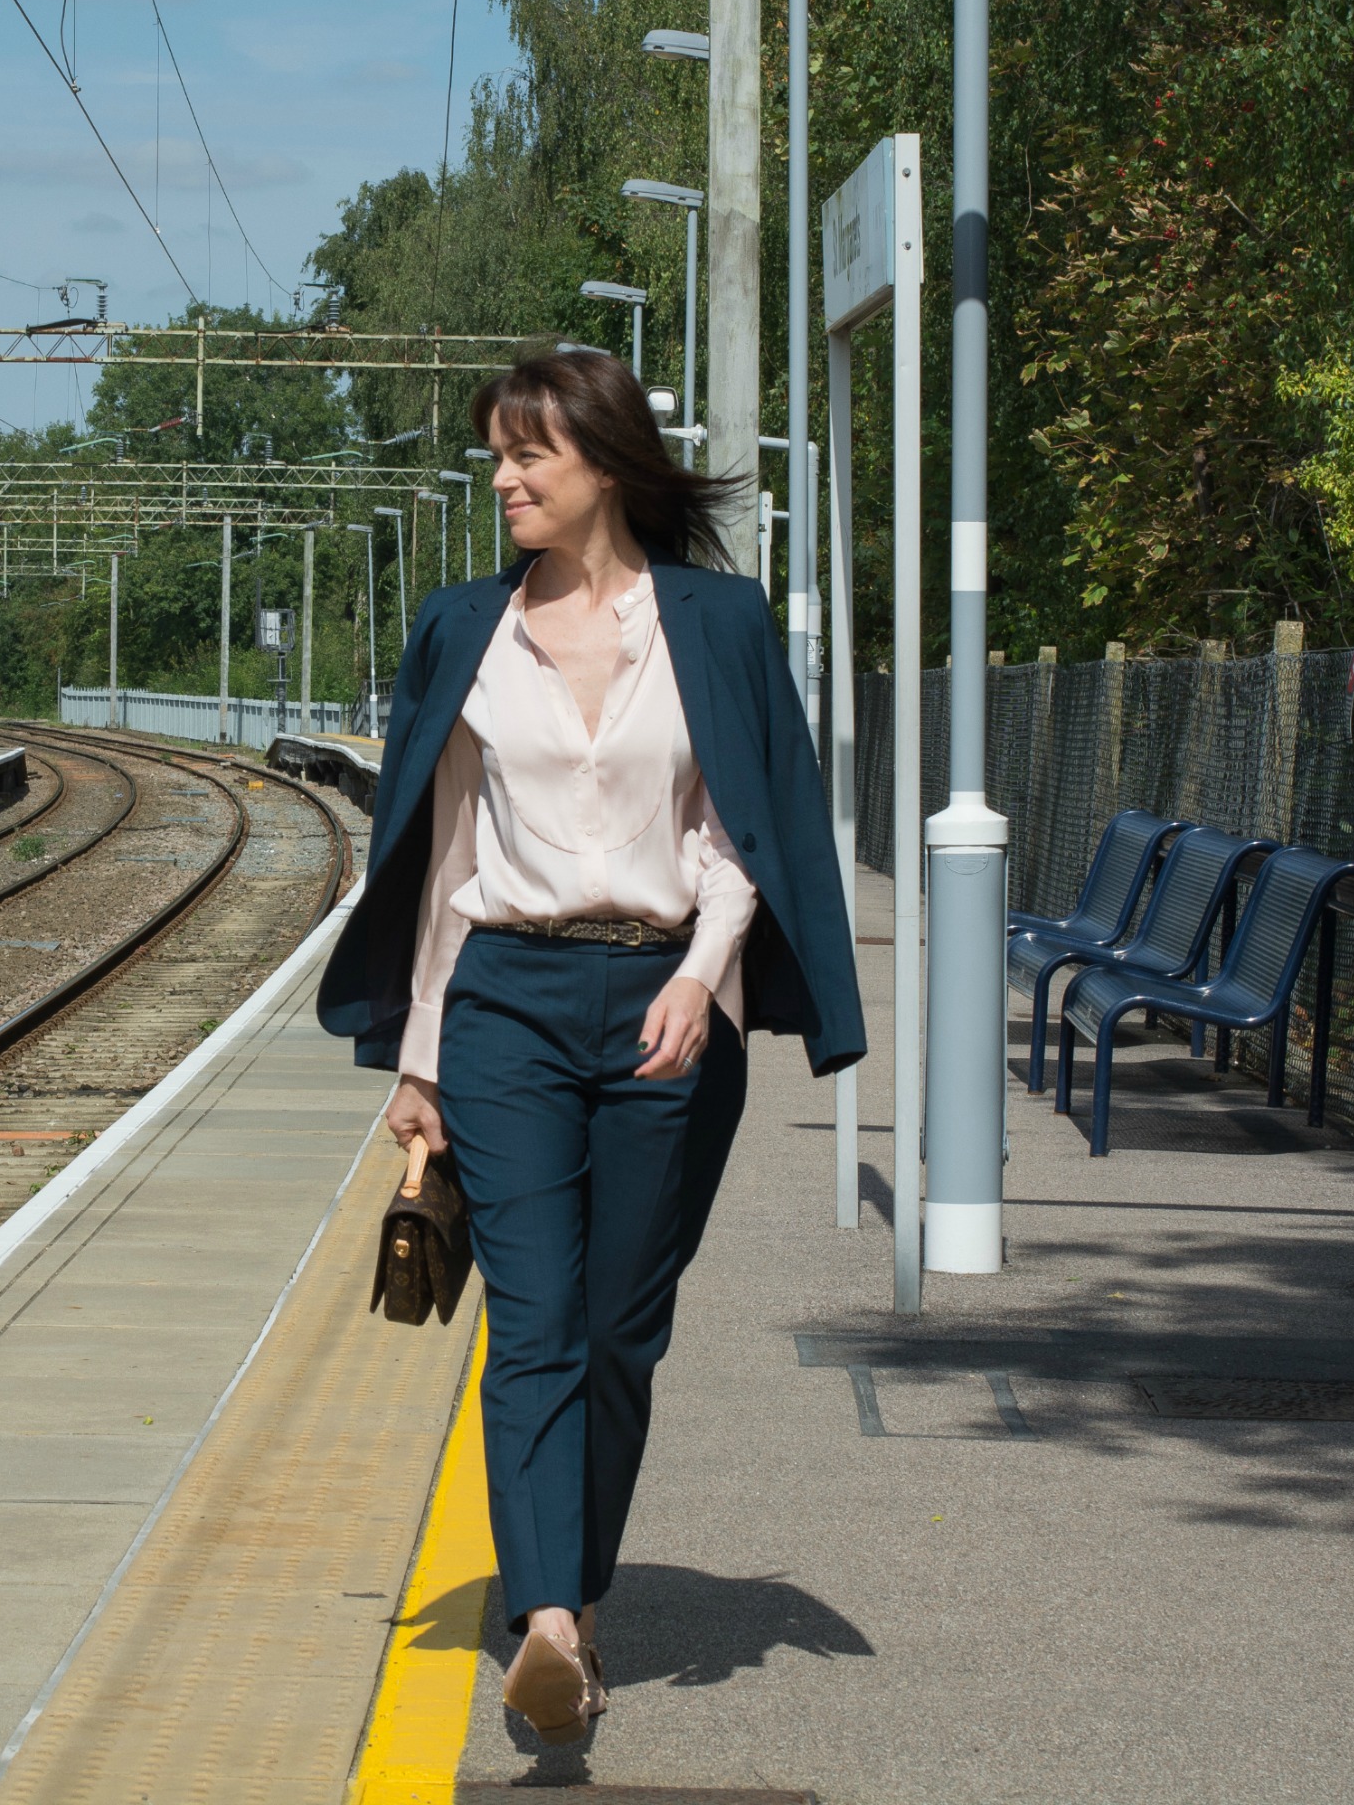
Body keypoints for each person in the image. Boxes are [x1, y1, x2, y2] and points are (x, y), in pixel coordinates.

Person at [318, 346, 864, 1742]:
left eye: (526, 458)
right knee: (535, 1319)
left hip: (664, 1006)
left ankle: (578, 1594)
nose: (501, 478)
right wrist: (422, 1059)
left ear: (604, 467)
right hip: (505, 997)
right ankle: (550, 1620)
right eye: (498, 455)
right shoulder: (463, 627)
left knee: (622, 1330)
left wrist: (703, 970)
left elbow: (742, 830)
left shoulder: (718, 626)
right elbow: (440, 859)